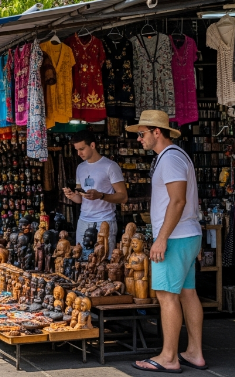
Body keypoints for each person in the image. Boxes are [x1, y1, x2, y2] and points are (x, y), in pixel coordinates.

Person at [128, 110, 207, 372]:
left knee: (166, 295)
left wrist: (161, 239)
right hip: (187, 234)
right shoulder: (177, 155)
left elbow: (178, 200)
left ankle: (169, 357)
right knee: (187, 293)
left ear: (156, 132)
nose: (139, 139)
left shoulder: (170, 158)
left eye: (142, 134)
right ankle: (194, 352)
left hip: (175, 237)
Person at [62, 130, 128, 256]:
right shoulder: (80, 167)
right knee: (81, 261)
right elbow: (80, 199)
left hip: (105, 221)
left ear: (92, 145)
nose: (79, 153)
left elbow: (123, 197)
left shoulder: (110, 166)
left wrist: (101, 196)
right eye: (77, 149)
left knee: (103, 262)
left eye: (82, 149)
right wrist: (72, 195)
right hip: (83, 221)